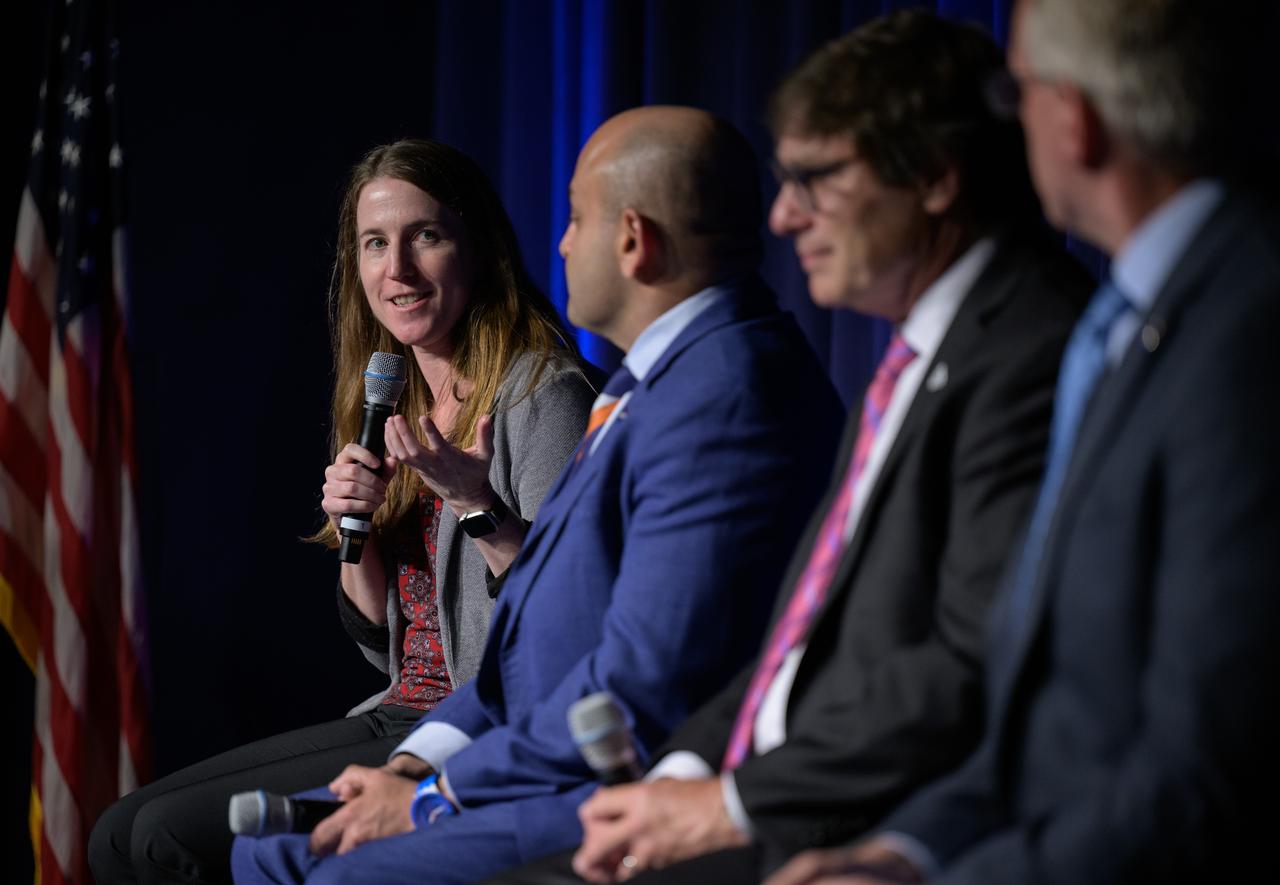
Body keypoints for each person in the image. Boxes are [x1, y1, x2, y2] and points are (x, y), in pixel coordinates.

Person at [485, 11, 1091, 885]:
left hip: (865, 816)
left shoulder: (1028, 349)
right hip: (768, 784)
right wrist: (686, 776)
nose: (782, 214)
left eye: (815, 177)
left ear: (934, 178)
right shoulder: (918, 356)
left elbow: (970, 666)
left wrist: (729, 802)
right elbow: (789, 649)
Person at [230, 105, 845, 885]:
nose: (559, 244)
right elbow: (531, 633)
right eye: (374, 244)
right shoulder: (651, 379)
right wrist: (419, 757)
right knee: (262, 848)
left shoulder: (722, 393)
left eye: (575, 218)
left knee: (332, 871)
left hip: (600, 778)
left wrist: (432, 792)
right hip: (505, 731)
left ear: (633, 239)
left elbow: (632, 682)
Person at [766, 1, 1280, 883]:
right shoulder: (1131, 322)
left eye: (1021, 89)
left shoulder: (1247, 327)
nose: (1010, 120)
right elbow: (1041, 717)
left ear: (1072, 117)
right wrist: (906, 853)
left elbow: (1207, 762)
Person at [88, 138, 598, 884]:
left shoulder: (540, 394)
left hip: (478, 724)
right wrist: (360, 539)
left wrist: (476, 502)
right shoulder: (388, 396)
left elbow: (570, 608)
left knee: (167, 838)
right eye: (375, 243)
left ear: (478, 247)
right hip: (400, 705)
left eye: (426, 235)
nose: (398, 269)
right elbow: (375, 638)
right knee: (116, 831)